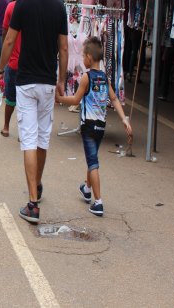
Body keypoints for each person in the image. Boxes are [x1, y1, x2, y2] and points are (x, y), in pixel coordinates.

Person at [0, 0, 68, 225]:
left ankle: (33, 203)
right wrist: (61, 80)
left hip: (26, 80)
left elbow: (10, 40)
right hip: (48, 81)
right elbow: (63, 47)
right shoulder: (59, 5)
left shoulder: (23, 2)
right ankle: (36, 185)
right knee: (42, 139)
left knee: (28, 139)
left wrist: (1, 70)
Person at [56, 37, 132, 217]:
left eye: (83, 55)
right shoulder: (104, 78)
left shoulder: (86, 77)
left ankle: (98, 202)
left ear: (89, 57)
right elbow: (114, 99)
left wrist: (59, 99)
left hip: (88, 127)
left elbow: (75, 100)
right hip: (101, 126)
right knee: (93, 158)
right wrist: (124, 119)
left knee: (93, 163)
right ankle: (87, 188)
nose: (82, 58)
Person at [0, 0, 30, 138]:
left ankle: (6, 126)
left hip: (13, 60)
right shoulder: (35, 8)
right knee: (25, 101)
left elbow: (5, 34)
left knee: (11, 97)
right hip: (29, 62)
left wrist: (2, 62)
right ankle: (22, 132)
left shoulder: (12, 7)